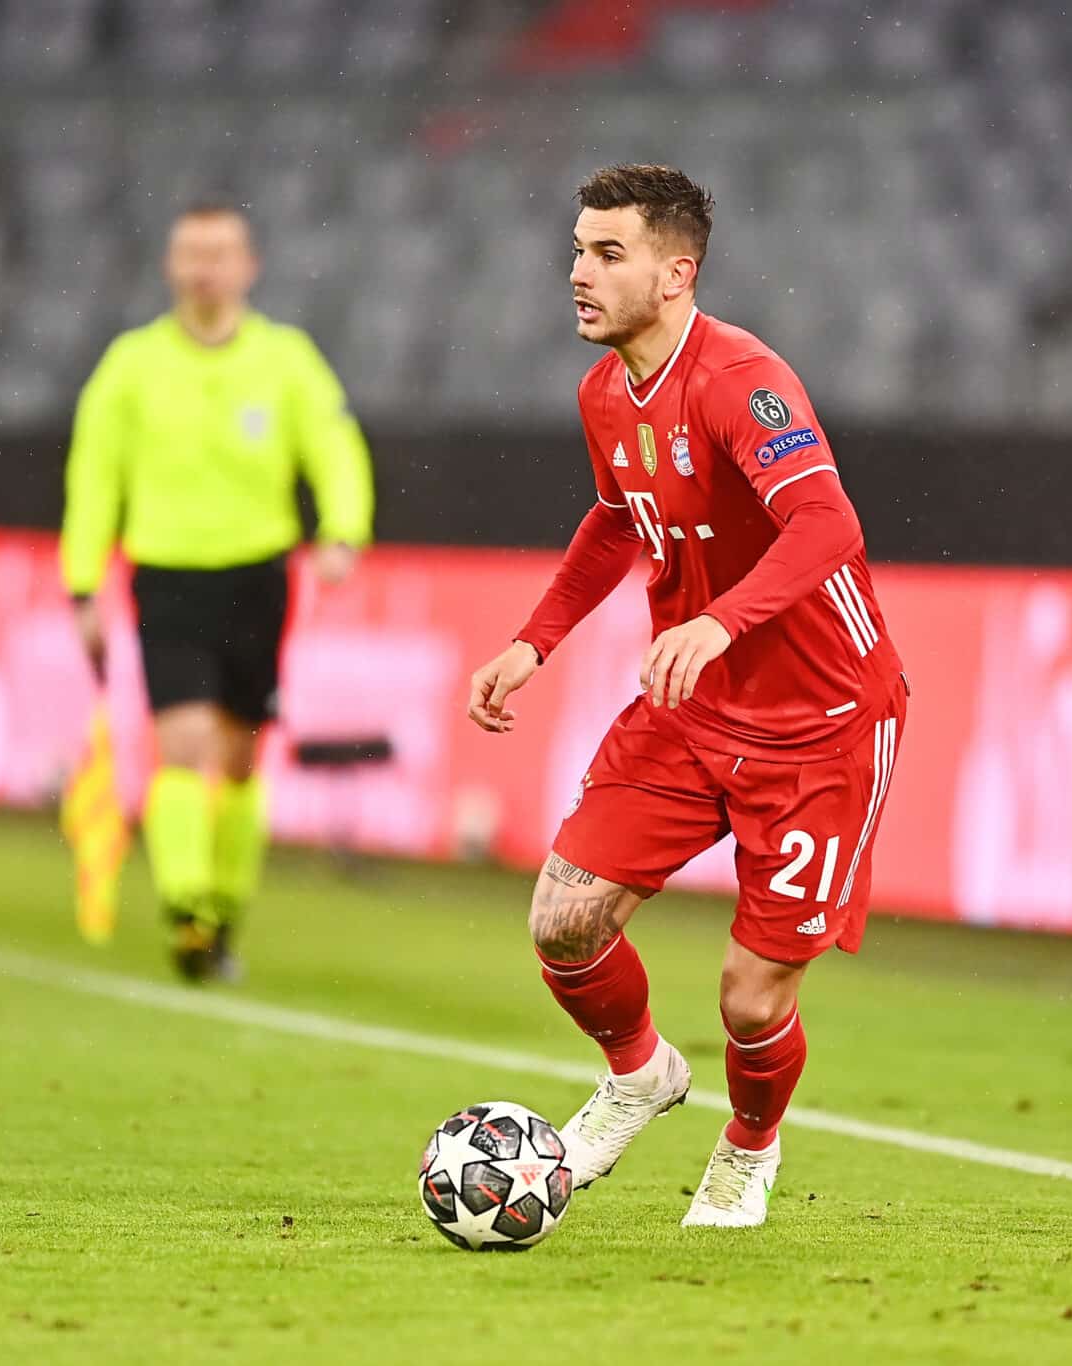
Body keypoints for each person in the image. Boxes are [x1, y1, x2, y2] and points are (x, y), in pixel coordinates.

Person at [466, 165, 907, 1226]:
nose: (577, 273)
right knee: (563, 921)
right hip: (691, 708)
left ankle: (748, 1145)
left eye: (606, 254)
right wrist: (535, 640)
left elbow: (826, 525)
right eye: (575, 249)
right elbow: (617, 517)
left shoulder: (739, 380)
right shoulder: (603, 393)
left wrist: (718, 620)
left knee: (750, 998)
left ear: (677, 272)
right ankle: (638, 1073)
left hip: (822, 720)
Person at [61, 200, 374, 982]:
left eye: (219, 253)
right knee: (183, 742)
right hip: (166, 575)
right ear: (173, 266)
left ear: (247, 267)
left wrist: (342, 529)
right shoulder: (131, 365)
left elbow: (334, 445)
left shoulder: (286, 359)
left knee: (238, 756)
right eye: (191, 253)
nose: (205, 267)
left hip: (256, 576)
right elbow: (93, 478)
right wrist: (82, 582)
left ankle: (223, 910)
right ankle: (187, 903)